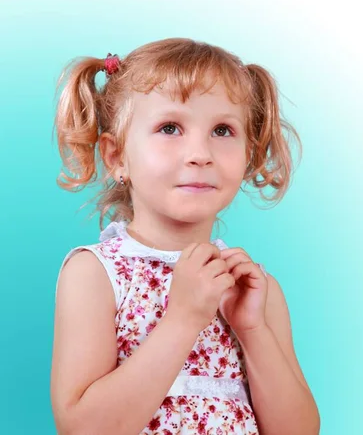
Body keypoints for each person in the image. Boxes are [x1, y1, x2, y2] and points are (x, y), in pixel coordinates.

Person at [50, 38, 320, 435]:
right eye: (170, 128)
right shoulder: (96, 274)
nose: (200, 153)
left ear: (248, 154)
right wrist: (184, 319)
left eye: (223, 130)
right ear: (116, 156)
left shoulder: (254, 289)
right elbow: (83, 429)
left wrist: (252, 330)